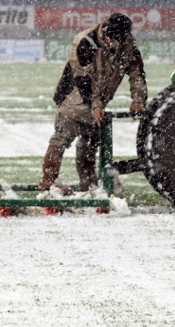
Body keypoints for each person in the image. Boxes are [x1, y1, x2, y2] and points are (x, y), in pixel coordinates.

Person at [38, 13, 148, 193]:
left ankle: (88, 186)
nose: (113, 43)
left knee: (89, 145)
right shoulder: (85, 42)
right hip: (73, 95)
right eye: (110, 39)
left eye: (117, 40)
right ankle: (47, 182)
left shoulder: (128, 45)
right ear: (105, 31)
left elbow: (137, 73)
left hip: (99, 97)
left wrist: (138, 99)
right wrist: (95, 106)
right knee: (61, 138)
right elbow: (83, 80)